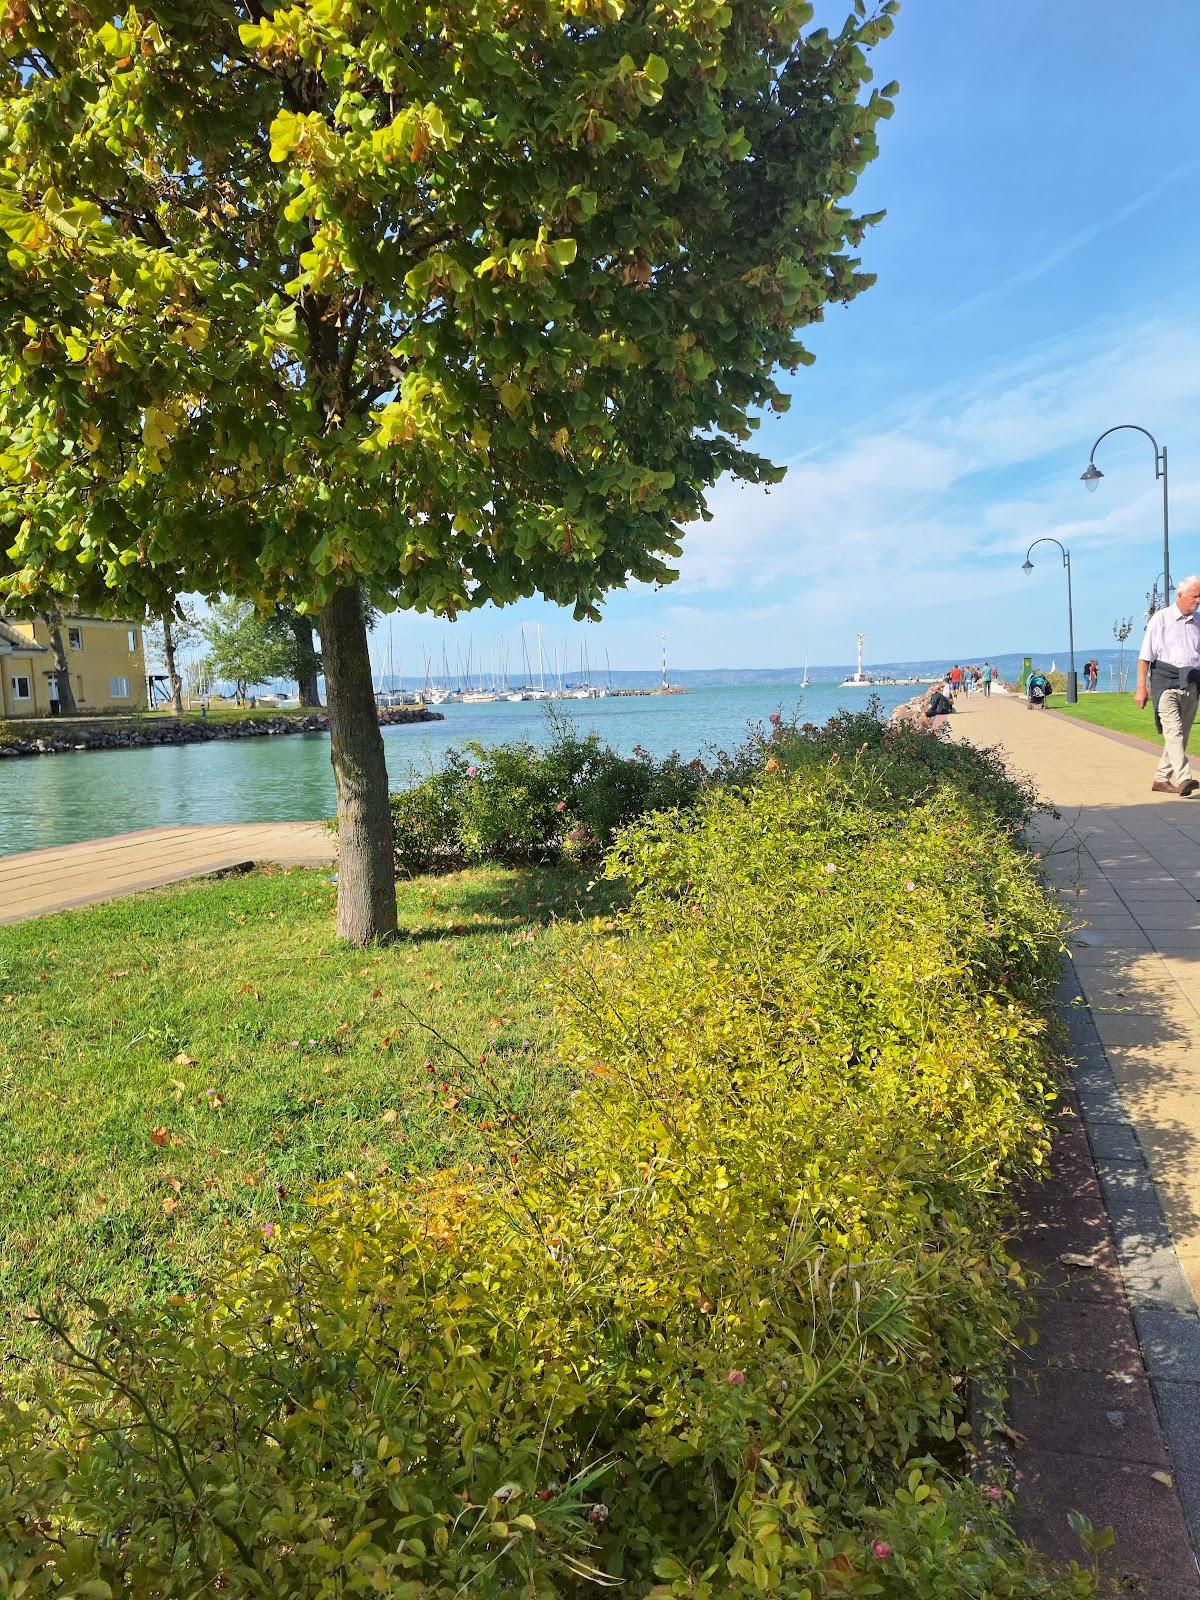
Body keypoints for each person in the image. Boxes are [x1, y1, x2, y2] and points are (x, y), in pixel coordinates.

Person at [1135, 575, 1200, 796]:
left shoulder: (1198, 621)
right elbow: (1145, 657)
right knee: (1174, 733)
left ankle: (1161, 779)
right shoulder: (1160, 619)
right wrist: (1141, 687)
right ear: (1180, 595)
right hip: (1165, 685)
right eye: (1195, 596)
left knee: (1182, 735)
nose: (1198, 600)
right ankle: (1184, 778)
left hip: (1191, 684)